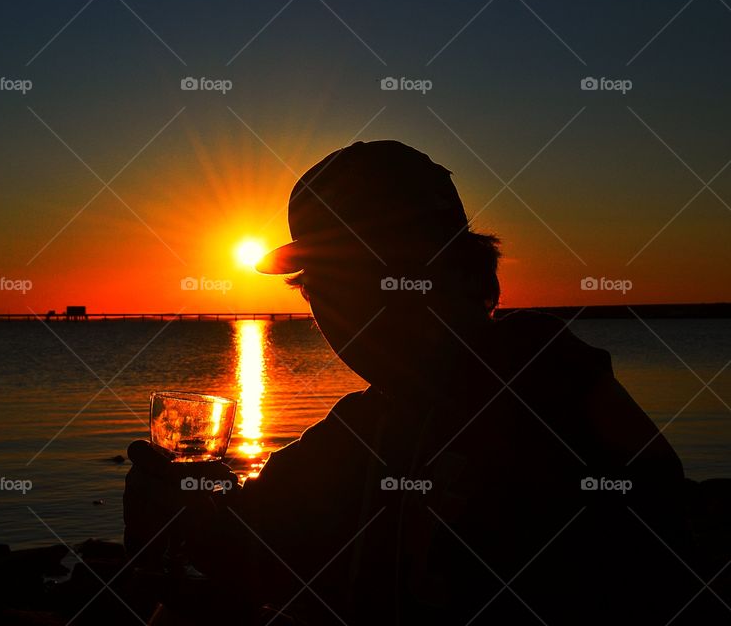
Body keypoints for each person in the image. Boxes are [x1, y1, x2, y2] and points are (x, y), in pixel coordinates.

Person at [125, 141, 691, 625]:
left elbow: (661, 535)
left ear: (464, 276)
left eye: (379, 274)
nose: (349, 314)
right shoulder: (360, 429)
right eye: (325, 286)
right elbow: (254, 547)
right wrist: (183, 512)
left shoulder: (541, 372)